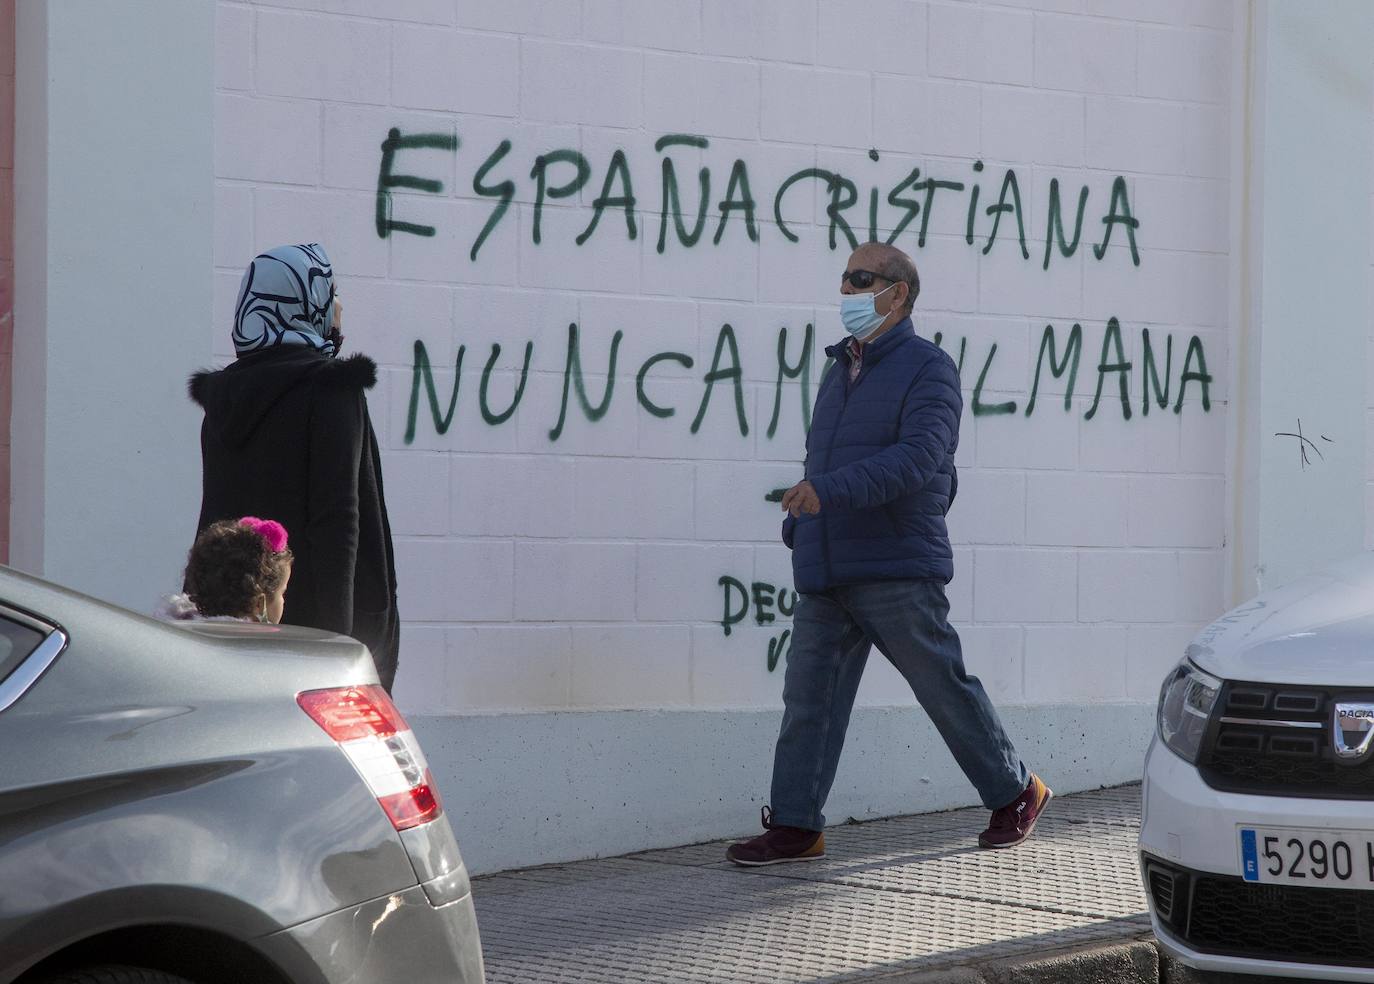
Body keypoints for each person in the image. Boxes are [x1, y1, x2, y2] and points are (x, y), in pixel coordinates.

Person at [727, 242, 1050, 867]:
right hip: (827, 565)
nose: (846, 290)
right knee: (808, 702)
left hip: (895, 564)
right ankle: (796, 825)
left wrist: (829, 492)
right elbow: (822, 461)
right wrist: (803, 523)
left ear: (897, 293)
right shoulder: (835, 369)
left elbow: (922, 460)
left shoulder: (929, 369)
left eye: (860, 279)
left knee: (941, 686)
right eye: (845, 279)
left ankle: (1017, 791)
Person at [188, 243, 401, 690]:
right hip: (319, 628)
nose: (338, 307)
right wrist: (340, 646)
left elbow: (214, 519)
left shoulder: (224, 397)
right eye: (331, 290)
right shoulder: (331, 390)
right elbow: (339, 521)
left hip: (236, 619)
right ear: (307, 299)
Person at [160, 517, 294, 623]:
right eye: (282, 593)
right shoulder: (254, 653)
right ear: (259, 605)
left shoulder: (176, 635)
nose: (283, 601)